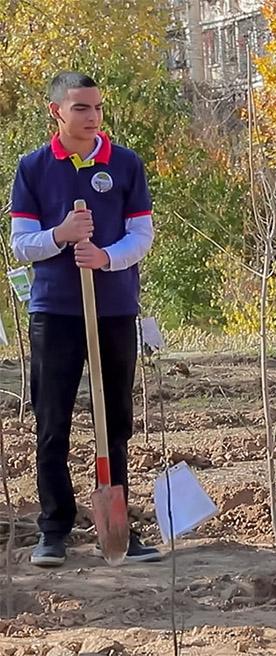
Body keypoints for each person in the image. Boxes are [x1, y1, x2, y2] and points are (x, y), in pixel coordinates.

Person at [8, 72, 160, 568]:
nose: (92, 117)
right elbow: (21, 243)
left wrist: (105, 258)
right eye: (80, 108)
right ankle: (54, 528)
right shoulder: (33, 168)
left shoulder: (125, 164)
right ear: (57, 111)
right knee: (52, 421)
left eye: (96, 107)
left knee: (113, 422)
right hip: (55, 311)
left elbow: (141, 235)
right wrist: (62, 233)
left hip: (113, 308)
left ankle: (118, 529)